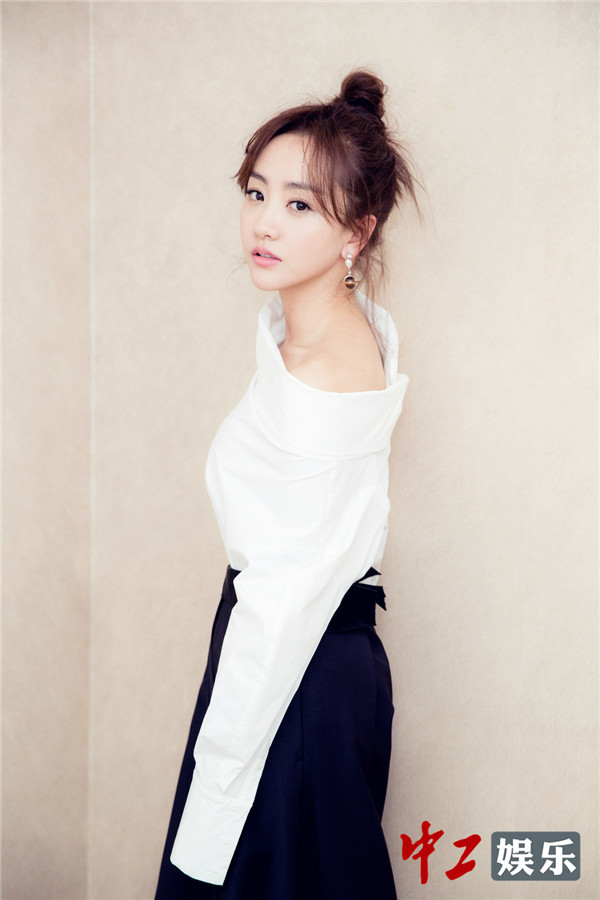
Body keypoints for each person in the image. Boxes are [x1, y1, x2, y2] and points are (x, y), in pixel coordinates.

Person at [155, 69, 418, 900]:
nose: (264, 222)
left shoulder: (323, 376)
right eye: (257, 192)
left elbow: (278, 607)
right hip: (313, 662)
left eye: (300, 204)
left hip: (291, 673)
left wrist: (218, 778)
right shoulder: (328, 329)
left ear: (357, 233)